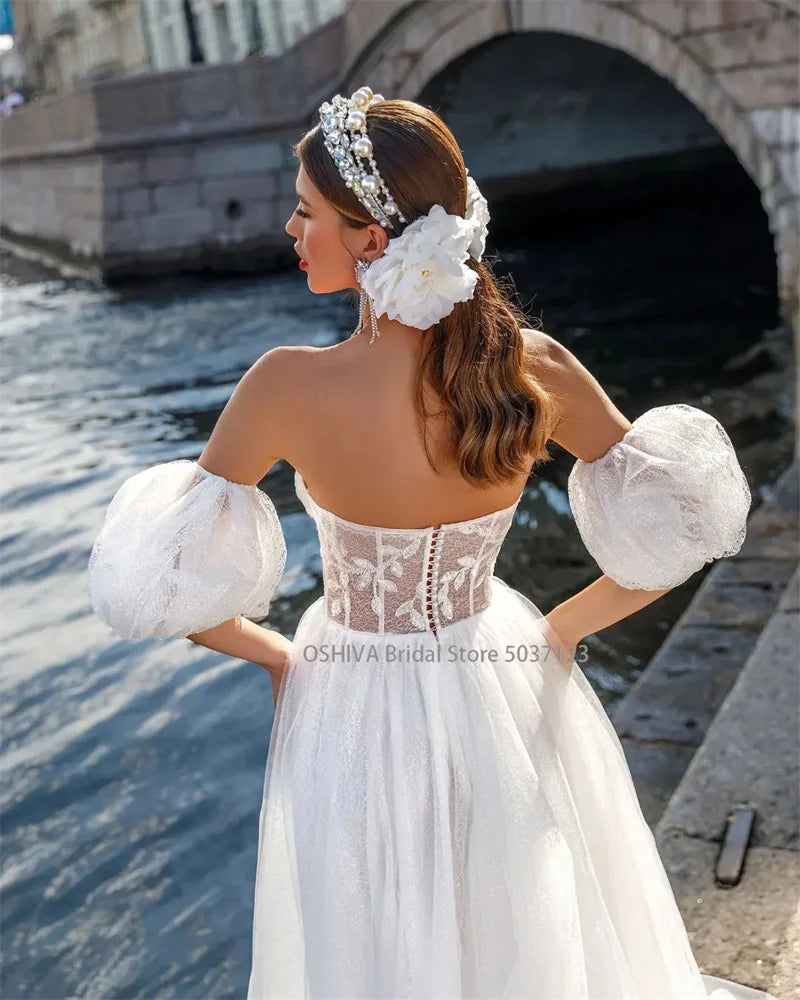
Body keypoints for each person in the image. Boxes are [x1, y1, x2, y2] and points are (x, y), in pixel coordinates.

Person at [87, 86, 774, 1000]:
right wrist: (564, 632)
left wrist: (278, 658)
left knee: (375, 945)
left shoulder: (285, 388)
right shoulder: (533, 366)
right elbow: (687, 518)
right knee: (516, 932)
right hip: (506, 677)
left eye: (306, 210)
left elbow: (157, 581)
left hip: (347, 698)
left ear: (373, 238)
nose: (291, 230)